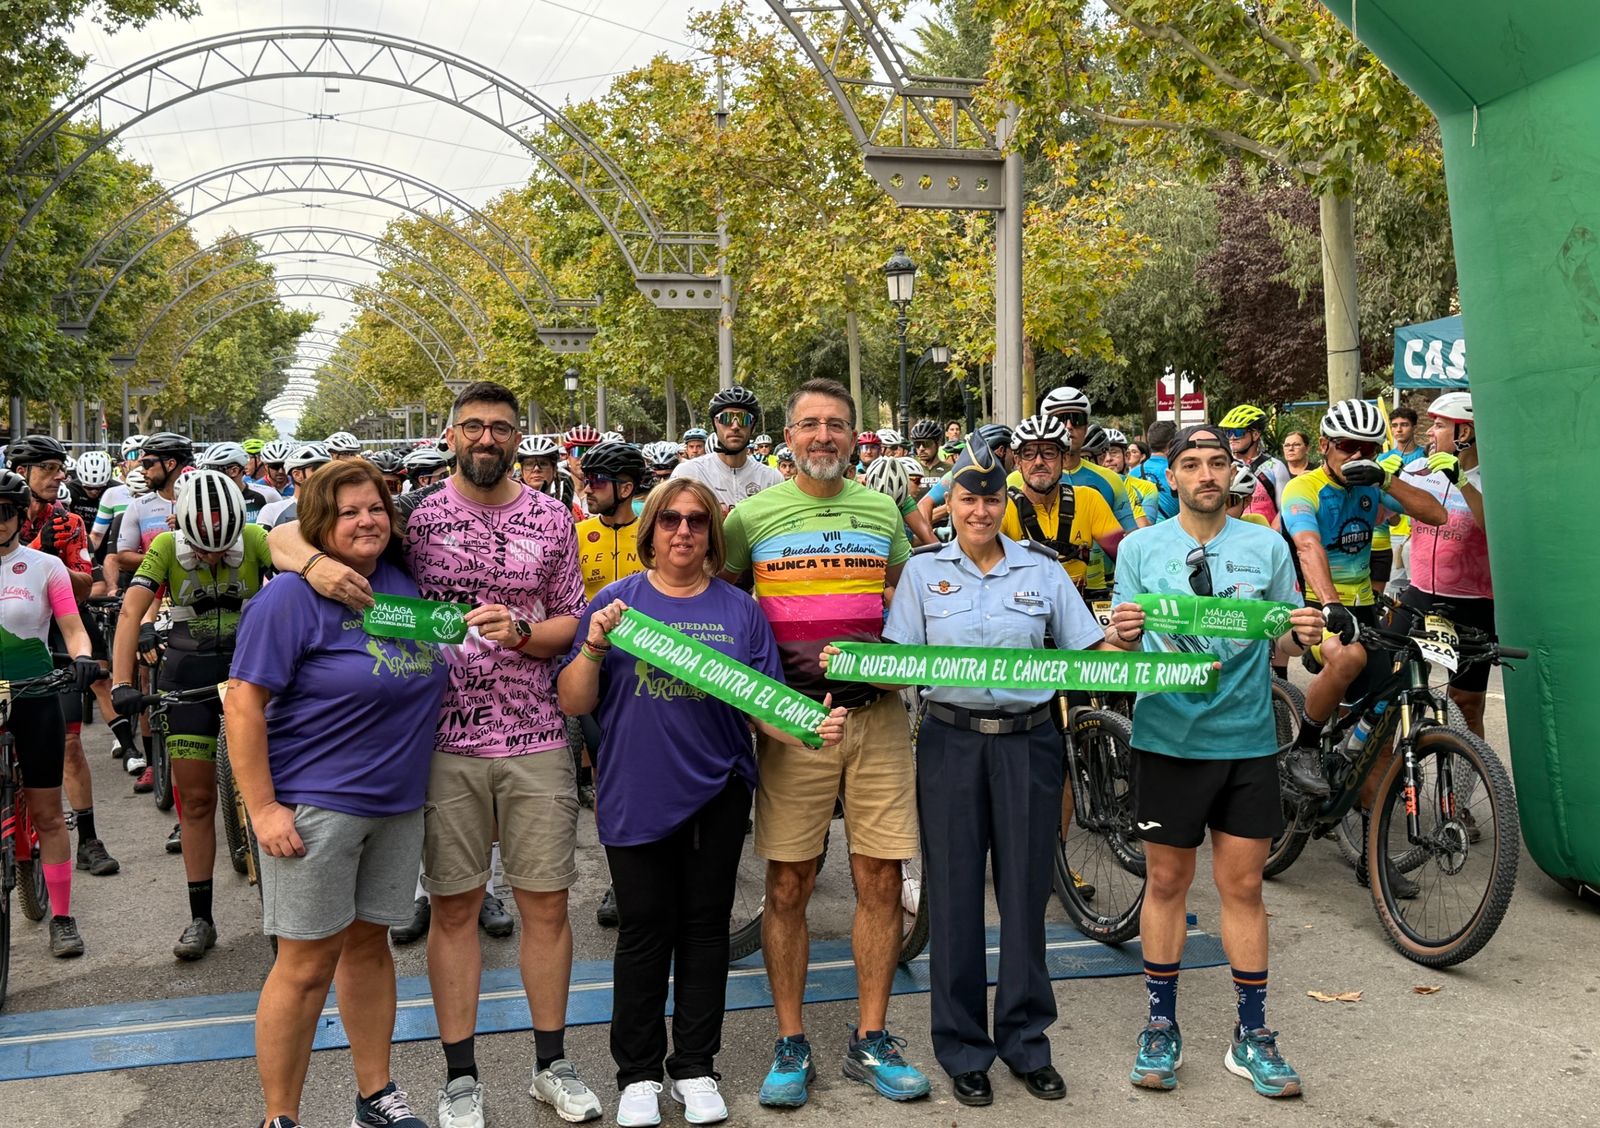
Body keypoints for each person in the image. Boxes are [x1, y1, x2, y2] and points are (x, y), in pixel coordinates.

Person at [270, 381, 599, 1128]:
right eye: (474, 427)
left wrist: (521, 629)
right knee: (452, 909)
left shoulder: (554, 518)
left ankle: (551, 1064)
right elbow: (289, 536)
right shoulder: (413, 518)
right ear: (450, 435)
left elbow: (572, 625)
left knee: (545, 905)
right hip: (438, 742)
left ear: (520, 437)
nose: (488, 439)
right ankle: (460, 1078)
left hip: (538, 736)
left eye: (502, 429)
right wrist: (315, 567)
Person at [558, 478, 847, 1128]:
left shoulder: (740, 611)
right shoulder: (616, 602)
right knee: (642, 932)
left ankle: (695, 1066)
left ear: (711, 534)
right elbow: (573, 701)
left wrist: (807, 725)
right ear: (651, 531)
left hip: (717, 791)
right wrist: (598, 643)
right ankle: (636, 1073)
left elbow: (764, 707)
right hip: (636, 790)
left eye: (696, 521)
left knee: (703, 932)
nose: (683, 531)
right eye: (670, 520)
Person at [841, 429, 1118, 1107]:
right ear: (950, 503)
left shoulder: (1043, 572)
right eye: (968, 499)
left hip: (1028, 742)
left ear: (1005, 502)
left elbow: (1085, 652)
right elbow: (899, 660)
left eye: (993, 500)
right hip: (951, 743)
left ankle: (1026, 1043)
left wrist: (1128, 636)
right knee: (957, 897)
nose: (981, 511)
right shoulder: (925, 574)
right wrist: (848, 664)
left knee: (1026, 896)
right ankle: (964, 1049)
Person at [721, 377, 932, 1108]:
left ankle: (870, 1039)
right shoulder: (750, 516)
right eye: (809, 424)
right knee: (789, 885)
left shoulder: (882, 512)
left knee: (880, 883)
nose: (823, 436)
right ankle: (790, 1039)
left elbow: (909, 607)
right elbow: (722, 605)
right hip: (792, 720)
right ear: (788, 436)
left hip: (876, 720)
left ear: (853, 437)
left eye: (836, 424)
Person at [228, 458, 447, 1128]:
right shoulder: (289, 599)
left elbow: (439, 650)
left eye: (375, 508)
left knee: (368, 946)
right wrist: (262, 807)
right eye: (348, 511)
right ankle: (280, 1116)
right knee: (303, 965)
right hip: (316, 808)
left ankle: (375, 1096)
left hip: (395, 804)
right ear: (319, 521)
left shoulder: (402, 587)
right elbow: (242, 704)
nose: (365, 521)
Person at [1109, 424, 1325, 1100]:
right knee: (1167, 885)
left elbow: (1287, 640)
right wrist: (1118, 635)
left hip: (1247, 742)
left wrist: (1303, 628)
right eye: (1192, 464)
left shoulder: (1265, 546)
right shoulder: (1142, 548)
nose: (1206, 474)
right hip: (1168, 739)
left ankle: (1252, 1036)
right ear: (1170, 477)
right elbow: (1118, 651)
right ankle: (1159, 1025)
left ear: (1232, 476)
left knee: (1245, 889)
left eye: (1218, 464)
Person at [112, 469, 272, 961]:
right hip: (187, 673)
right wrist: (120, 684)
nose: (212, 558)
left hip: (250, 671)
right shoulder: (163, 548)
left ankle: (285, 913)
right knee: (198, 801)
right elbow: (128, 611)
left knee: (275, 794)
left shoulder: (255, 537)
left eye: (222, 551)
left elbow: (298, 590)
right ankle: (201, 918)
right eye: (202, 551)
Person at [1279, 399, 1446, 799]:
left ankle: (1365, 831)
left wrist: (1386, 480)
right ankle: (1304, 749)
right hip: (1315, 606)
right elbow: (1307, 546)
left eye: (1367, 449)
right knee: (1350, 657)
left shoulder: (1371, 486)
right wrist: (1331, 604)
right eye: (1347, 446)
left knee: (1383, 717)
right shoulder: (1303, 488)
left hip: (1364, 608)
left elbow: (1436, 514)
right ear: (1323, 445)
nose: (1356, 455)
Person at [7, 436, 125, 877]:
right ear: (24, 474)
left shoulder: (69, 520)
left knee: (70, 742)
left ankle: (90, 839)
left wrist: (56, 557)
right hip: (14, 630)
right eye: (50, 468)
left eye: (61, 467)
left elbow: (87, 586)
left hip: (58, 626)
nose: (61, 476)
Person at [0, 470, 103, 958]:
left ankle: (62, 917)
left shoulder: (44, 567)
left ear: (21, 516)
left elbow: (71, 626)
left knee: (46, 812)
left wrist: (83, 656)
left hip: (34, 693)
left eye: (5, 511)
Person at [1396, 392, 1494, 737]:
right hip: (1418, 595)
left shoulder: (1494, 478)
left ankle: (1468, 783)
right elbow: (1387, 515)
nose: (1428, 433)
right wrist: (1384, 480)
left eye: (1438, 425)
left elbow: (1493, 529)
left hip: (1473, 605)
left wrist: (1463, 482)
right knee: (1388, 687)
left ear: (1463, 434)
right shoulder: (1417, 470)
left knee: (1466, 703)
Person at [1001, 415, 1125, 598]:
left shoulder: (1089, 499)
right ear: (1018, 462)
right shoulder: (1003, 506)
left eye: (1049, 453)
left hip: (1078, 609)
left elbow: (1125, 556)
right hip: (1022, 613)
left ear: (1064, 458)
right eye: (1028, 454)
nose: (1038, 462)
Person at [671, 387, 782, 509]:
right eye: (726, 418)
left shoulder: (772, 479)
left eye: (744, 419)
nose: (735, 426)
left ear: (753, 426)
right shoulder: (688, 473)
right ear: (715, 424)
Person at [1216, 406, 1291, 528]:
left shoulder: (1275, 467)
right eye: (1228, 432)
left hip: (1267, 535)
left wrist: (1272, 536)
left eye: (1238, 432)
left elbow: (1284, 509)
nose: (1232, 437)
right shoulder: (1223, 465)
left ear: (1255, 435)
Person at [198, 441, 281, 523]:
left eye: (214, 471)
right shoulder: (201, 498)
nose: (208, 476)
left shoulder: (268, 495)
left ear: (234, 471)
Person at [258, 443, 331, 529]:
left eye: (329, 470)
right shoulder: (271, 511)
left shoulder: (338, 508)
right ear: (297, 475)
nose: (326, 475)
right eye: (319, 471)